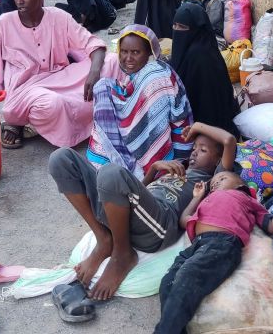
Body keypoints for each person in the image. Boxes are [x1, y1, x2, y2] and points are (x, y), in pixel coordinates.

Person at [48, 121, 236, 301]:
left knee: (111, 173)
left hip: (159, 225)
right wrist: (154, 170)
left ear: (218, 160)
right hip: (133, 214)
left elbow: (229, 140)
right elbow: (128, 192)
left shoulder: (213, 178)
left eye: (203, 150)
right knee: (61, 158)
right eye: (194, 147)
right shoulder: (180, 166)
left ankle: (123, 255)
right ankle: (104, 238)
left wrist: (196, 126)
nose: (194, 153)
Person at [156, 172, 273, 334]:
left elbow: (271, 226)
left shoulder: (246, 199)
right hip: (197, 246)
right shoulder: (206, 202)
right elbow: (184, 220)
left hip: (222, 244)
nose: (215, 183)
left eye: (222, 179)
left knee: (187, 279)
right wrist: (197, 197)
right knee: (167, 282)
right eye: (213, 183)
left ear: (240, 186)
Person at [0, 0, 119, 149]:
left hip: (61, 77)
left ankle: (101, 114)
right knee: (53, 104)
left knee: (112, 60)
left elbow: (92, 43)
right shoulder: (5, 22)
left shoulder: (58, 16)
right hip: (26, 89)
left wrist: (94, 72)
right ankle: (21, 122)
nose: (19, 1)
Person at [86, 24, 193, 176]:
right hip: (135, 141)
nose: (128, 58)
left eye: (136, 52)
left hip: (172, 150)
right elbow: (126, 99)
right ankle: (117, 160)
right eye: (123, 51)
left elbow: (166, 120)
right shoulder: (134, 77)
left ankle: (145, 169)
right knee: (102, 87)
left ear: (149, 52)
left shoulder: (156, 75)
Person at [171, 1, 238, 135]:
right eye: (174, 25)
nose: (177, 30)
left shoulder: (200, 57)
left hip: (208, 128)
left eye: (182, 27)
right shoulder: (200, 48)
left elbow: (204, 104)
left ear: (197, 29)